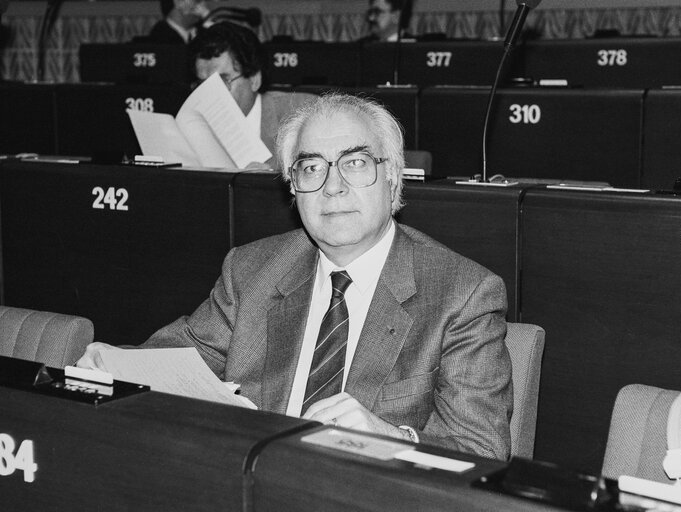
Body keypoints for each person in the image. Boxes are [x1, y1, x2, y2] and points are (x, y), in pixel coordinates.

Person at [78, 93, 513, 460]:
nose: (332, 186)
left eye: (355, 163)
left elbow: (482, 452)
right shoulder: (251, 272)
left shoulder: (462, 293)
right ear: (292, 188)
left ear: (393, 177)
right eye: (311, 168)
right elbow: (169, 360)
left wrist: (391, 439)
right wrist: (112, 366)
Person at [188, 21, 315, 163]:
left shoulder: (304, 114)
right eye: (202, 85)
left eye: (222, 82)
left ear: (254, 79)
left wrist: (266, 181)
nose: (209, 96)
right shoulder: (191, 127)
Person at [146, 0, 216, 45]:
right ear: (178, 3)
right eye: (197, 1)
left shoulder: (202, 31)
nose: (203, 5)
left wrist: (210, 22)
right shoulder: (161, 35)